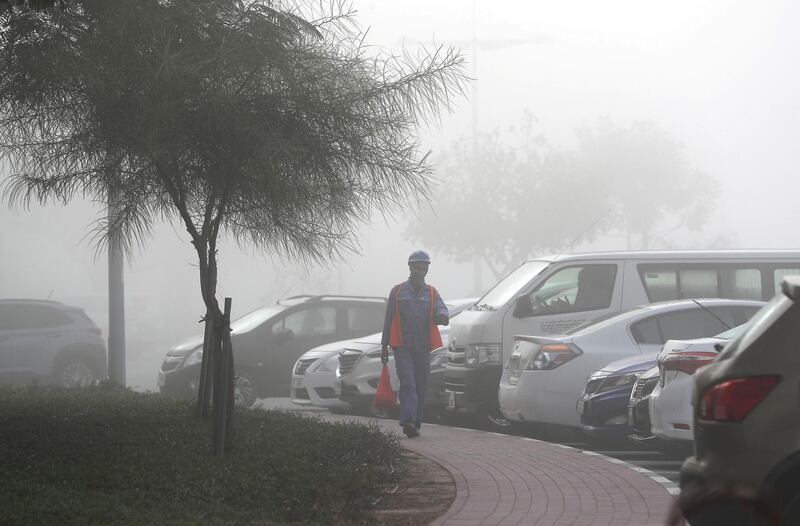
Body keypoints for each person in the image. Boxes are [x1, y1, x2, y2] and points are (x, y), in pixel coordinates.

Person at [381, 250, 449, 438]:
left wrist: (442, 317)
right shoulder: (398, 291)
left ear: (427, 269)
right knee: (408, 383)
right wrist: (384, 346)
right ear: (410, 267)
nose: (420, 271)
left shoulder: (432, 293)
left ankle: (416, 423)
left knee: (421, 385)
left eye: (423, 268)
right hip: (402, 347)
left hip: (423, 348)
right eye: (417, 267)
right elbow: (388, 321)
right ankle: (408, 419)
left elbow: (443, 311)